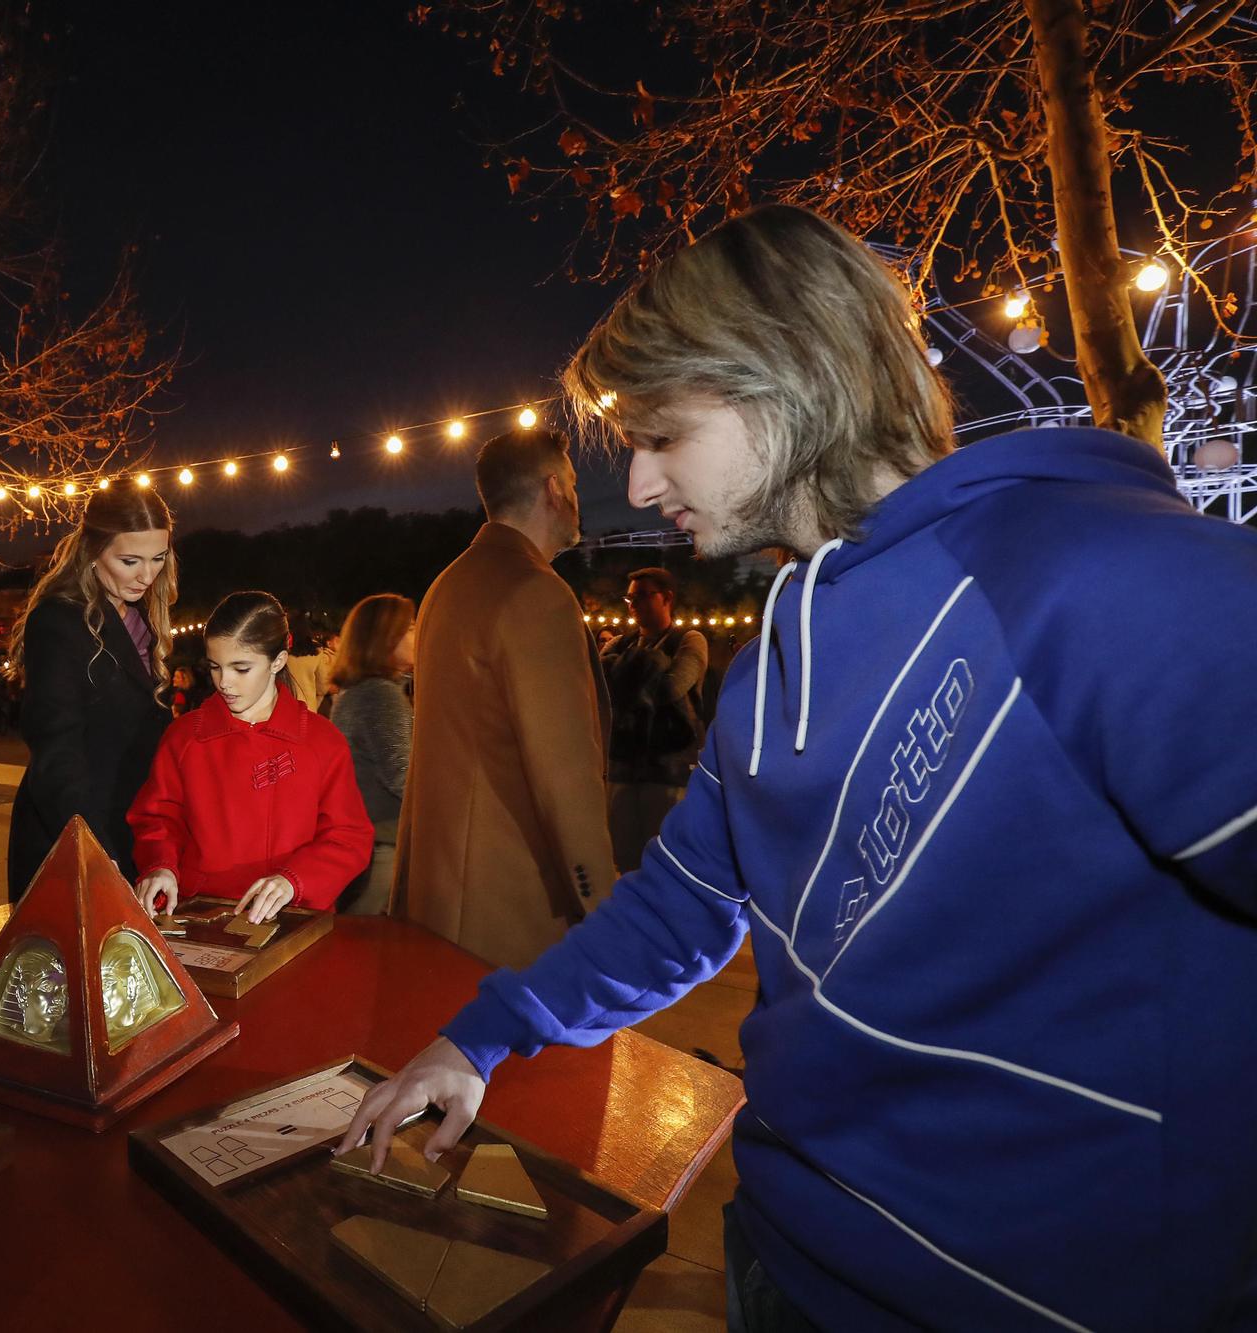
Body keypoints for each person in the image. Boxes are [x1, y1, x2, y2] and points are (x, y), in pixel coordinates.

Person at [340, 205, 1257, 1332]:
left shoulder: (1108, 582)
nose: (632, 485)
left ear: (780, 386)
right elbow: (680, 906)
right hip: (776, 1263)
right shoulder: (766, 669)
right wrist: (481, 1033)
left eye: (661, 434)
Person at [392, 430, 617, 968]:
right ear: (554, 489)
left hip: (438, 898)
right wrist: (606, 907)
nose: (578, 499)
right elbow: (565, 775)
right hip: (516, 908)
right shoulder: (535, 593)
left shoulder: (447, 586)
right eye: (576, 484)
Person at [129, 591, 374, 924]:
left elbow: (348, 837)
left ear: (278, 661)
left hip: (295, 918)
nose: (224, 683)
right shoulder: (184, 737)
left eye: (241, 668)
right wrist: (160, 866)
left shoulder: (322, 741)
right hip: (201, 916)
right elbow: (157, 817)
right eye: (215, 667)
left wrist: (295, 880)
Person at [5, 488, 178, 900]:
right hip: (77, 831)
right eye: (130, 561)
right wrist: (96, 849)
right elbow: (56, 749)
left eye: (158, 558)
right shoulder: (58, 620)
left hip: (133, 829)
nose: (146, 575)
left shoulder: (140, 618)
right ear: (94, 550)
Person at [600, 565, 708, 871]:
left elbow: (672, 688)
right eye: (630, 598)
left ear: (667, 598)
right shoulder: (619, 644)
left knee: (668, 862)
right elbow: (598, 687)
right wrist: (648, 666)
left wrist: (627, 669)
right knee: (623, 859)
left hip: (668, 767)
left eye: (644, 596)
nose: (634, 605)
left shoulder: (688, 640)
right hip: (622, 765)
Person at [327, 593, 416, 916]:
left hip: (367, 839)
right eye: (408, 628)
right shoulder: (380, 695)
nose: (416, 635)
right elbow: (403, 776)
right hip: (383, 843)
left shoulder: (358, 690)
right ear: (385, 638)